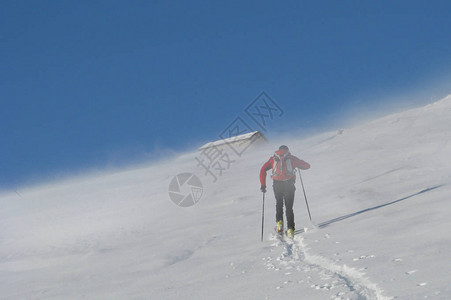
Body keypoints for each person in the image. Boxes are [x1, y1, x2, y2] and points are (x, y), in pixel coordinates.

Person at [260, 145, 310, 238]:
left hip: (277, 184)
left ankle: (279, 224)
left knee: (279, 203)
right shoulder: (291, 158)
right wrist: (299, 167)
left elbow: (263, 170)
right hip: (289, 184)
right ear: (287, 150)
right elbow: (307, 166)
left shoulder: (273, 159)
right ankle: (290, 229)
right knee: (289, 207)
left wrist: (263, 185)